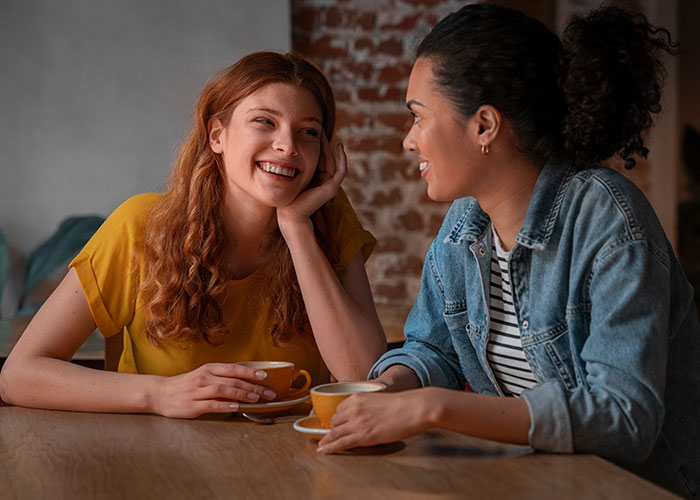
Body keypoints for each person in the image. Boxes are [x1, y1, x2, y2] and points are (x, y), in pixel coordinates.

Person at [316, 4, 700, 498]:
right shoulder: (465, 222)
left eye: (418, 117)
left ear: (484, 126)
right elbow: (433, 349)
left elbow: (625, 417)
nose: (409, 140)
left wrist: (433, 408)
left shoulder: (607, 217)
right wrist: (389, 392)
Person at [0, 52, 386, 419]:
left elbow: (365, 375)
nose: (287, 146)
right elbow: (19, 375)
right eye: (265, 122)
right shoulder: (140, 226)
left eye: (308, 132)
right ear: (217, 135)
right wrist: (159, 395)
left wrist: (297, 228)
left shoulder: (327, 221)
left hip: (289, 464)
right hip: (160, 466)